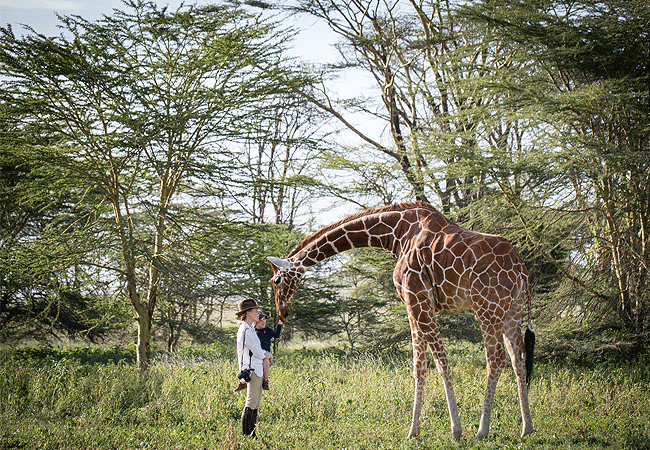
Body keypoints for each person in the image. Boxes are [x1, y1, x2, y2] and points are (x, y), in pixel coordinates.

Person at [234, 298, 270, 437]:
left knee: (255, 404)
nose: (258, 313)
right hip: (252, 370)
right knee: (250, 403)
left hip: (257, 369)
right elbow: (258, 352)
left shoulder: (250, 329)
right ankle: (247, 434)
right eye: (255, 311)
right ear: (248, 313)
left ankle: (251, 433)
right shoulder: (247, 331)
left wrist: (264, 355)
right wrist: (267, 355)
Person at [254, 311, 283, 390]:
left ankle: (266, 381)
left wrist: (280, 324)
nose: (264, 322)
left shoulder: (268, 330)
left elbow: (276, 335)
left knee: (266, 362)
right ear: (256, 322)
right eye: (261, 320)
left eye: (264, 320)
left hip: (266, 353)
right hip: (256, 353)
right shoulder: (253, 332)